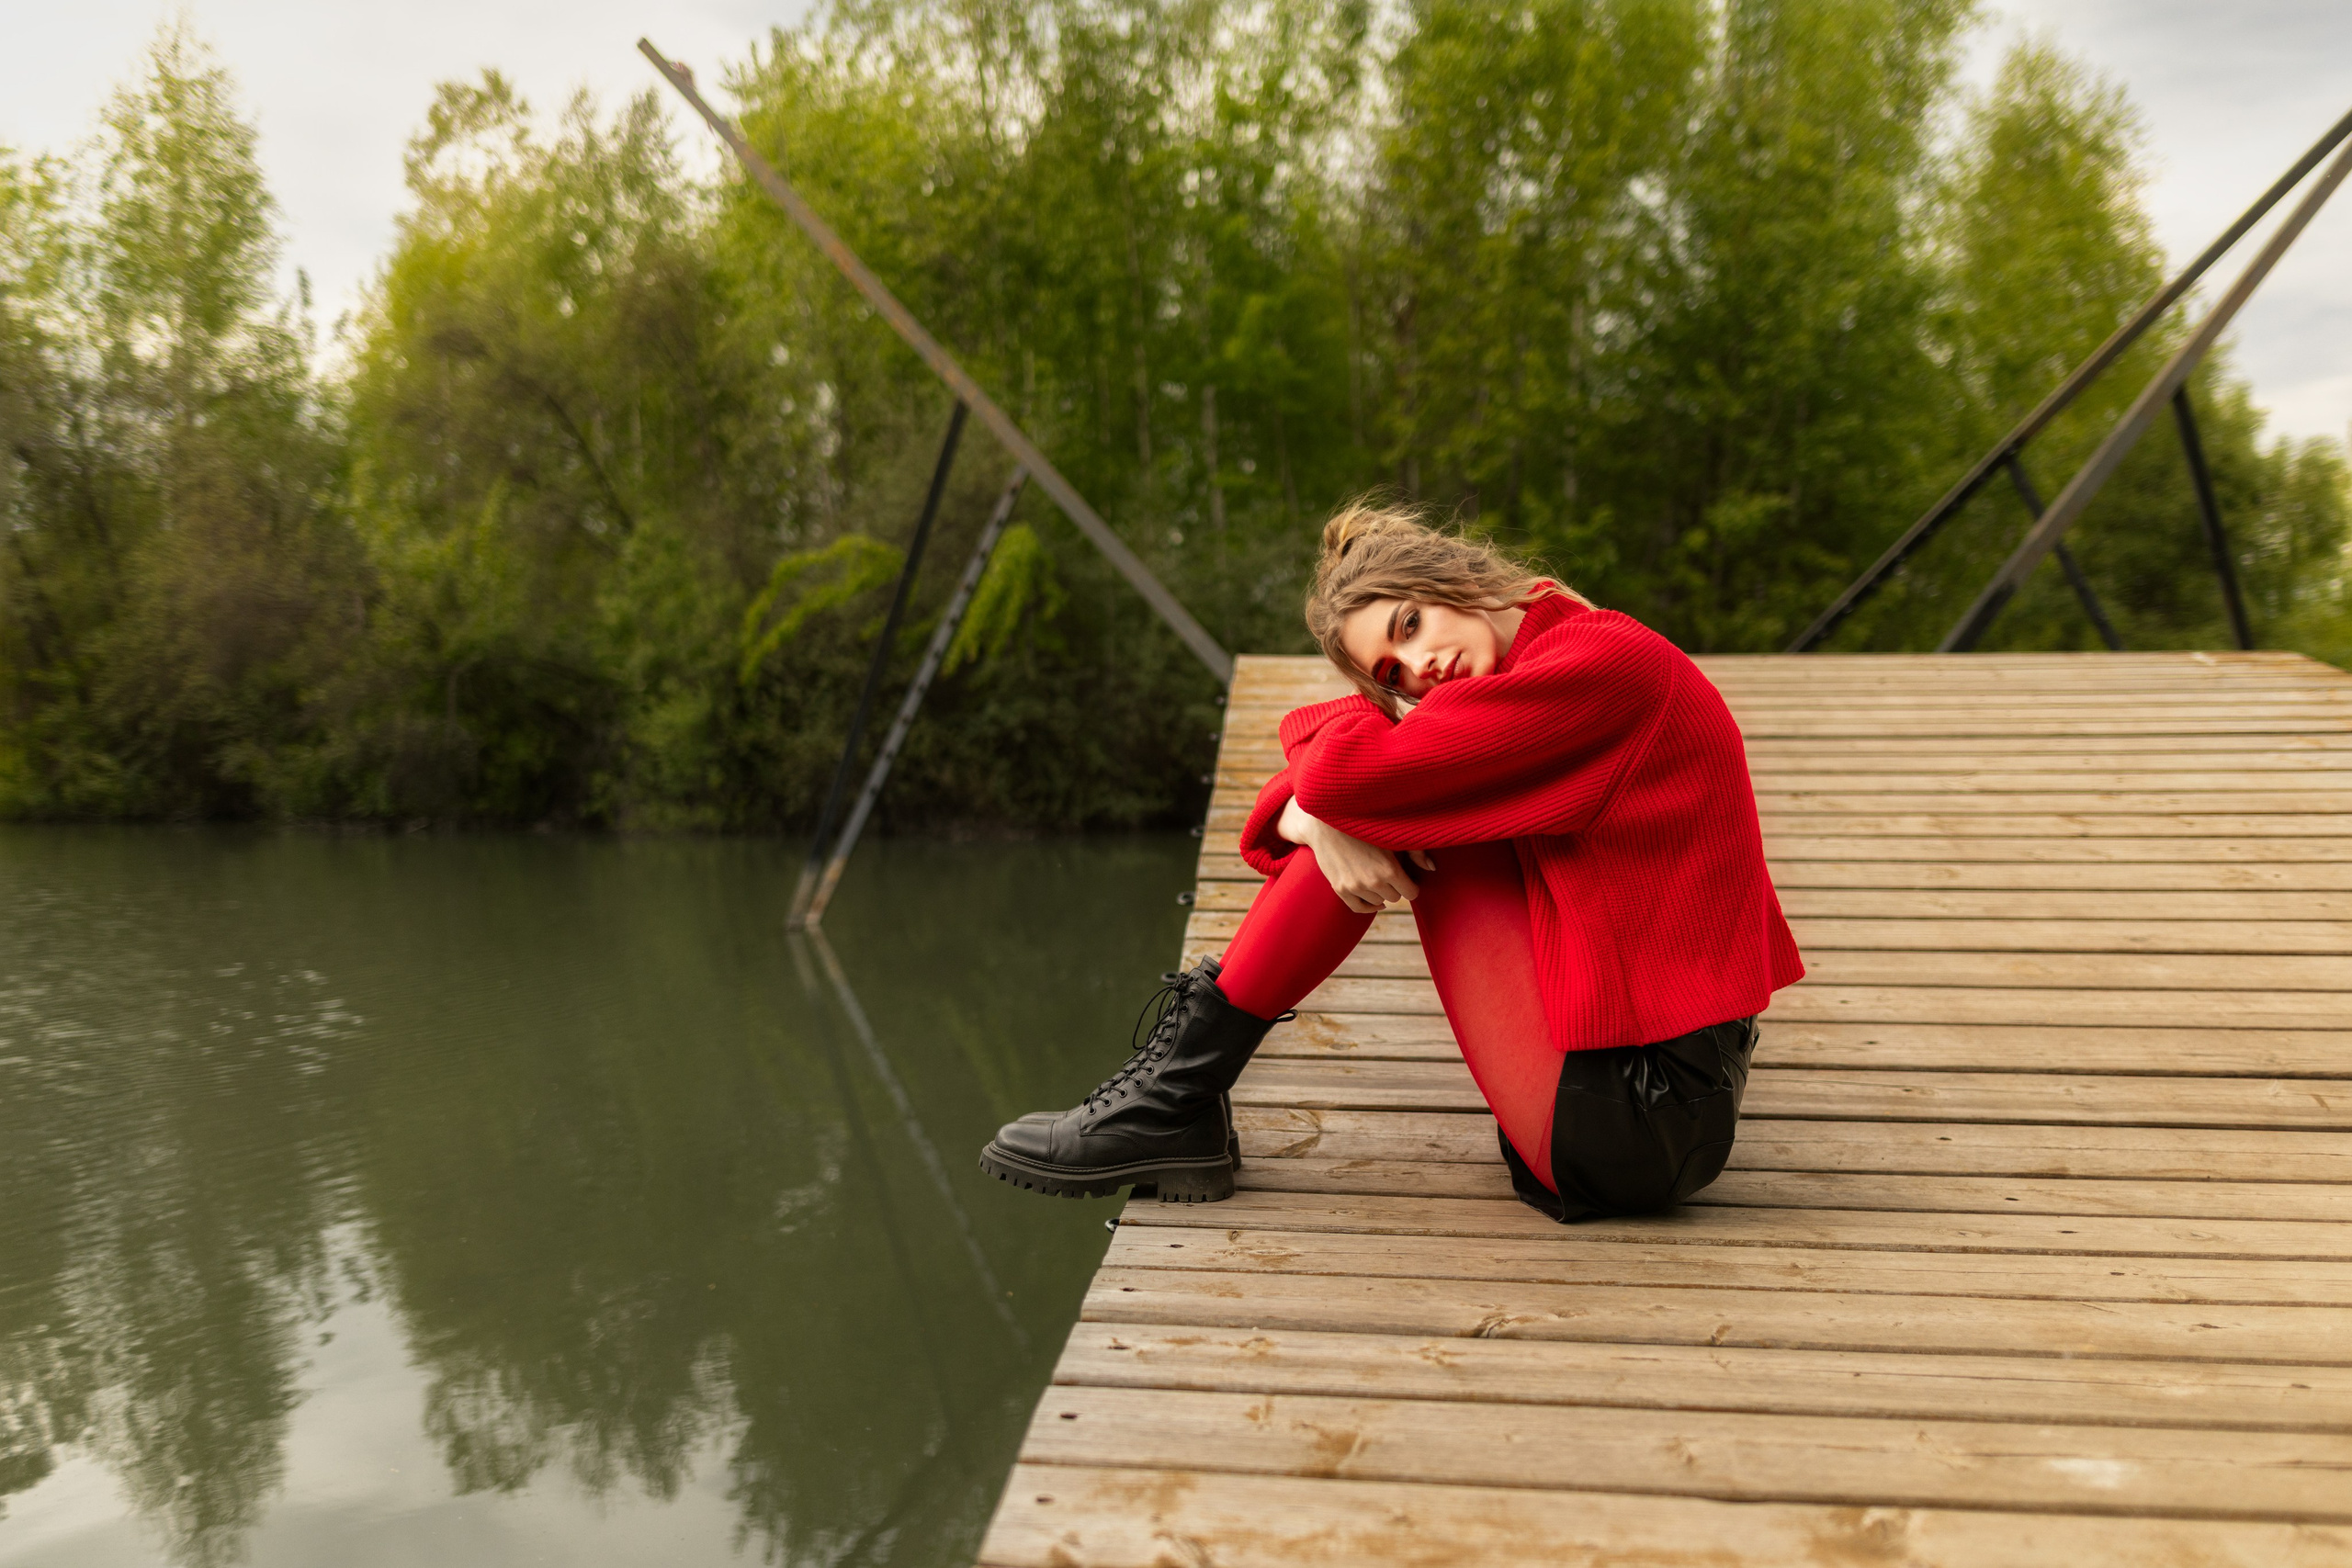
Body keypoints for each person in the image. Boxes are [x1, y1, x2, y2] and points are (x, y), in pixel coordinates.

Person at [978, 501, 1804, 1220]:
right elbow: (1354, 764)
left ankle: (1173, 1099)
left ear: (1458, 580)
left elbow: (1344, 771)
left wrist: (1313, 810)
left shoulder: (1594, 670)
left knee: (1401, 817)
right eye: (1393, 672)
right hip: (1659, 1093)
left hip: (1642, 1117)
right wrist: (1321, 812)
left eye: (1410, 624)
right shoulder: (1560, 655)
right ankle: (1174, 1098)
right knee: (1387, 808)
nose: (1420, 668)